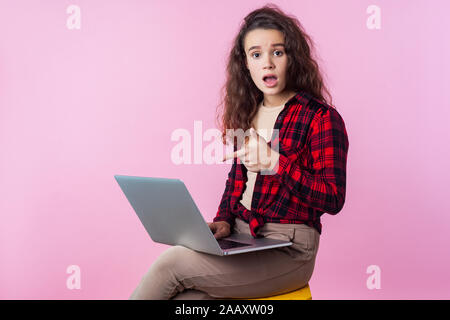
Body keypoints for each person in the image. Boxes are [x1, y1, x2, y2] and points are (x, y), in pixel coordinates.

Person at [129, 4, 349, 300]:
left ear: (292, 58)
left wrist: (275, 162)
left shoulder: (321, 118)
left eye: (278, 52)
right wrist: (222, 222)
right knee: (187, 300)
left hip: (291, 249)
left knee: (171, 264)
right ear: (246, 64)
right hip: (243, 236)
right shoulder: (248, 113)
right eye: (256, 54)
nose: (267, 63)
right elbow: (236, 181)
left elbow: (333, 198)